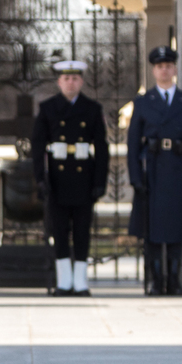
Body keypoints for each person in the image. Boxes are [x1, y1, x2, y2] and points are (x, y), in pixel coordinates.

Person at [127, 46, 182, 296]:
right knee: (151, 231)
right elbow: (132, 144)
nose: (164, 70)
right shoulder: (143, 102)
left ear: (175, 69)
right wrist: (136, 178)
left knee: (176, 228)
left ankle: (174, 278)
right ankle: (155, 279)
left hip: (178, 170)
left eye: (169, 66)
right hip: (153, 170)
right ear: (154, 70)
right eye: (160, 67)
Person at [31, 60, 109, 296]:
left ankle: (80, 281)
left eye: (75, 78)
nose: (70, 82)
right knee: (60, 231)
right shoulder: (48, 108)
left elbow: (102, 148)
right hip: (57, 180)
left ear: (81, 82)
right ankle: (64, 281)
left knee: (83, 230)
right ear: (59, 82)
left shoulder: (92, 108)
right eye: (66, 79)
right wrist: (41, 179)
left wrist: (99, 182)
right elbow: (37, 147)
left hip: (83, 179)